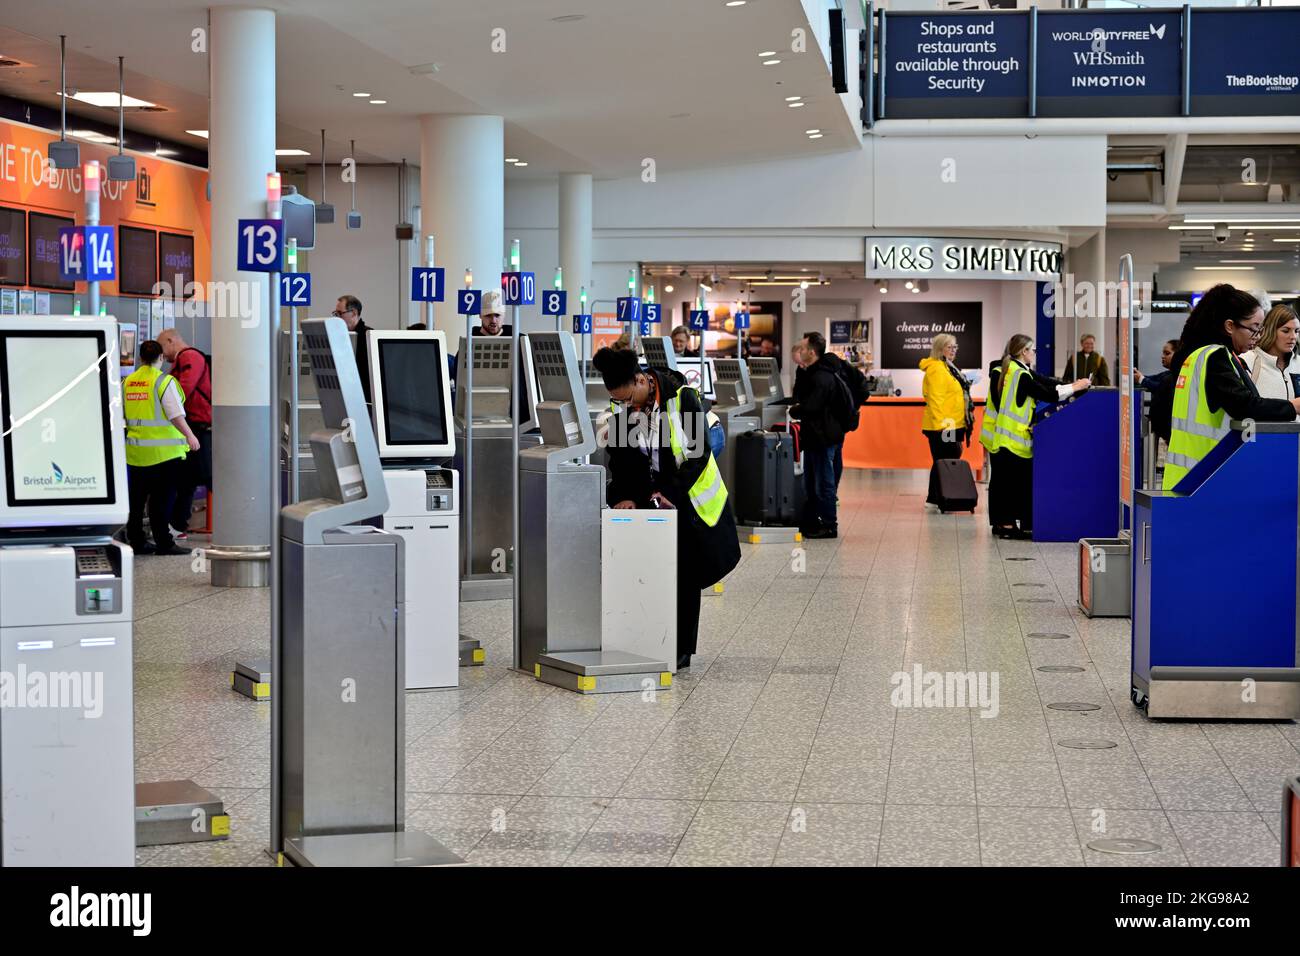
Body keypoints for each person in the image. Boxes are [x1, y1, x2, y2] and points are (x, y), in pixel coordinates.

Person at [593, 346, 740, 670]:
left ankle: (681, 649)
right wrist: (624, 496)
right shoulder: (624, 417)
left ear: (641, 380)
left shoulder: (683, 400)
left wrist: (669, 493)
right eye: (618, 401)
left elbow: (698, 456)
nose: (625, 405)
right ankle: (646, 639)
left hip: (687, 499)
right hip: (650, 500)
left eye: (628, 397)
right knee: (650, 567)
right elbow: (622, 466)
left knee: (685, 573)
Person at [1162, 286, 1300, 491]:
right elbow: (1244, 405)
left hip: (1188, 475)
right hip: (1207, 475)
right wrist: (1292, 407)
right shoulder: (1216, 357)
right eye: (1254, 328)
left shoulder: (1197, 356)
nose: (1257, 336)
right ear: (1230, 326)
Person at [987, 334, 1091, 538]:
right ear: (1023, 352)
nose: (1035, 353)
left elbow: (1047, 384)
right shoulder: (1020, 374)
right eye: (1032, 350)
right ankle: (1010, 527)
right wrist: (1076, 387)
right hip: (1013, 439)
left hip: (1009, 438)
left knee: (1012, 484)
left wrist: (1071, 385)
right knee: (1014, 485)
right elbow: (1048, 394)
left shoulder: (1017, 370)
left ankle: (1013, 525)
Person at [123, 340, 201, 556]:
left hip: (136, 453)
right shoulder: (164, 382)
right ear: (161, 358)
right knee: (161, 500)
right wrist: (190, 435)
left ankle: (136, 541)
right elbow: (175, 414)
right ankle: (164, 543)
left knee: (137, 500)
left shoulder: (128, 382)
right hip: (164, 454)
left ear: (140, 358)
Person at [792, 332, 852, 538]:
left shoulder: (821, 377)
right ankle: (812, 520)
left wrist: (795, 411)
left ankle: (828, 524)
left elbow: (811, 406)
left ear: (811, 351)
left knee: (823, 483)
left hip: (822, 437)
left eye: (802, 349)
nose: (799, 352)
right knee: (812, 481)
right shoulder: (819, 373)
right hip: (823, 435)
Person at [156, 328, 212, 539]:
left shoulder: (190, 357)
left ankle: (239, 520)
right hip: (191, 427)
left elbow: (181, 391)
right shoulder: (180, 362)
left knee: (207, 476)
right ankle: (179, 525)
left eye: (162, 347)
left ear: (171, 341)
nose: (162, 354)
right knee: (186, 480)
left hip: (198, 428)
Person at [920, 333, 974, 507]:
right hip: (944, 425)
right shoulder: (936, 368)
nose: (953, 350)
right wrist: (943, 428)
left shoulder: (947, 367)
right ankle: (938, 497)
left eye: (955, 347)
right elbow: (936, 400)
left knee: (944, 460)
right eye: (949, 347)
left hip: (952, 423)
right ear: (939, 348)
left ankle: (935, 497)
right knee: (945, 460)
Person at [1242, 304, 1300, 401]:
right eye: (1286, 331)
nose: (1293, 336)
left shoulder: (1298, 363)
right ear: (1270, 330)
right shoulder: (1247, 361)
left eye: (1297, 331)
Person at [333, 294, 372, 402]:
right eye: (335, 314)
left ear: (354, 313)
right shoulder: (338, 336)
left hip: (364, 399)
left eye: (340, 313)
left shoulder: (368, 336)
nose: (337, 318)